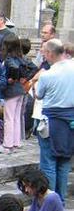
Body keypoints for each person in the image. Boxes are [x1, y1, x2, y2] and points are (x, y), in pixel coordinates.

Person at [34, 38, 74, 202]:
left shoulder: (47, 75)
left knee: (49, 163)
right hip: (70, 120)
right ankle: (61, 200)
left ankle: (49, 201)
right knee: (64, 163)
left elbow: (39, 95)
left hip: (52, 121)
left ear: (50, 53)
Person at [1, 34, 28, 152]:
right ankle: (16, 141)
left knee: (9, 118)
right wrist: (24, 77)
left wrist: (12, 78)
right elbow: (32, 68)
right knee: (16, 117)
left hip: (11, 90)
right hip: (20, 90)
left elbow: (15, 68)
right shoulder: (21, 58)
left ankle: (8, 144)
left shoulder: (9, 59)